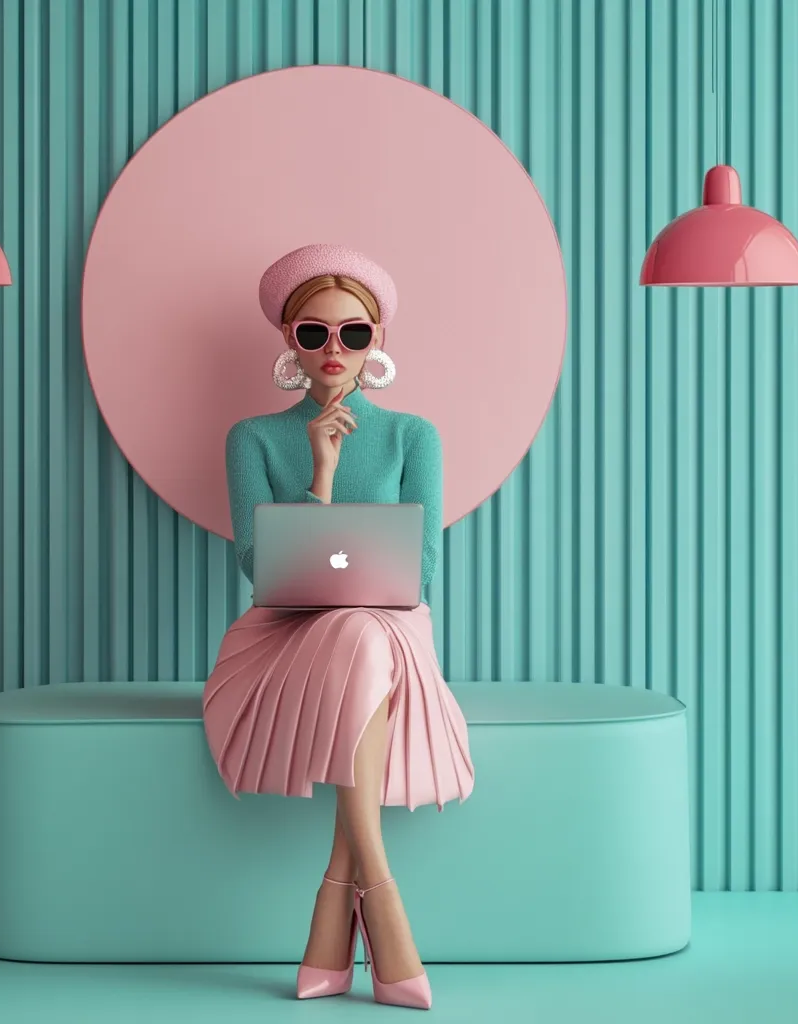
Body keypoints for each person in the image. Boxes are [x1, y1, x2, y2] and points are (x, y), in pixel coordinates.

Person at [202, 244, 474, 1011]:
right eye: (313, 334)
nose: (333, 351)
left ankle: (338, 900)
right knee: (354, 634)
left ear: (376, 341)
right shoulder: (252, 438)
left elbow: (418, 578)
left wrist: (353, 595)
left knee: (364, 633)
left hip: (390, 635)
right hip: (283, 641)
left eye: (353, 335)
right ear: (288, 341)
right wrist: (320, 475)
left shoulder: (412, 437)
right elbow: (263, 573)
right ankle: (377, 894)